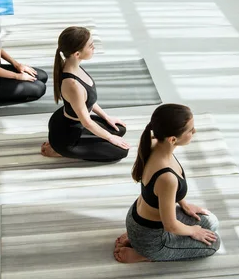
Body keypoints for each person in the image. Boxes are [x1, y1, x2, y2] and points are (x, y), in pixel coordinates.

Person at [113, 104, 220, 263]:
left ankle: (136, 238)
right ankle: (145, 254)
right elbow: (170, 226)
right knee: (214, 243)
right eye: (190, 130)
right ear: (173, 139)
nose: (194, 132)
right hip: (151, 239)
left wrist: (184, 204)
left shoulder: (153, 142)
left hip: (139, 217)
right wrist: (193, 231)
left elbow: (164, 195)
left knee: (211, 222)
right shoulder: (166, 178)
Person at [40, 26, 129, 162]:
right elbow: (87, 122)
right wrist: (111, 138)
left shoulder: (72, 65)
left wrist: (107, 117)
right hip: (68, 136)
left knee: (120, 129)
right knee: (121, 151)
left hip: (70, 119)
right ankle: (58, 150)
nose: (94, 48)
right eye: (91, 46)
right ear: (77, 54)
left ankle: (60, 143)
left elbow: (88, 100)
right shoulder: (72, 84)